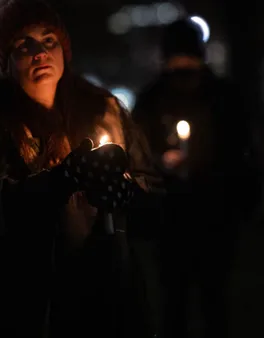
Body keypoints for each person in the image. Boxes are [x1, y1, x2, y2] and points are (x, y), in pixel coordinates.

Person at [0, 0, 162, 337]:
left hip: (106, 287)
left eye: (48, 40)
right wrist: (60, 180)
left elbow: (154, 192)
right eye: (25, 44)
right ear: (6, 60)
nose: (40, 52)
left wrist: (128, 192)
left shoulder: (103, 109)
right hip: (29, 299)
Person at [132, 18, 260, 338]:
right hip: (170, 218)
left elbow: (242, 153)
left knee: (213, 302)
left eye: (188, 61)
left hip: (216, 214)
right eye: (176, 62)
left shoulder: (224, 97)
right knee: (173, 305)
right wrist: (161, 166)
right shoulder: (151, 100)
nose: (183, 71)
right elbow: (137, 155)